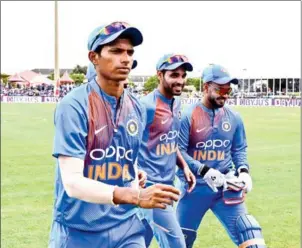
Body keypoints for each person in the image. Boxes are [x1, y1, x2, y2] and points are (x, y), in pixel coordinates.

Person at [49, 21, 181, 248]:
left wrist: (134, 174)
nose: (126, 58)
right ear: (94, 57)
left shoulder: (137, 108)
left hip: (126, 226)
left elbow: (126, 158)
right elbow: (72, 183)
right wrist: (136, 196)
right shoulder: (74, 105)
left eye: (130, 52)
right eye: (116, 51)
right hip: (78, 230)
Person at [176, 64, 266, 248]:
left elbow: (239, 149)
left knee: (251, 237)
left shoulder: (234, 117)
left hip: (226, 188)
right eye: (219, 89)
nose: (224, 94)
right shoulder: (187, 116)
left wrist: (243, 171)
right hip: (194, 189)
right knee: (179, 243)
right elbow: (178, 153)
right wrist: (204, 170)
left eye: (228, 90)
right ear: (206, 87)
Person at [138, 54, 197, 248]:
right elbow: (128, 146)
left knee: (137, 242)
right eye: (174, 75)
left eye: (183, 75)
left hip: (169, 186)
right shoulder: (145, 107)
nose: (180, 80)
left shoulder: (177, 103)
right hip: (151, 188)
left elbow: (170, 141)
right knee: (176, 244)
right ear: (160, 75)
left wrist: (184, 166)